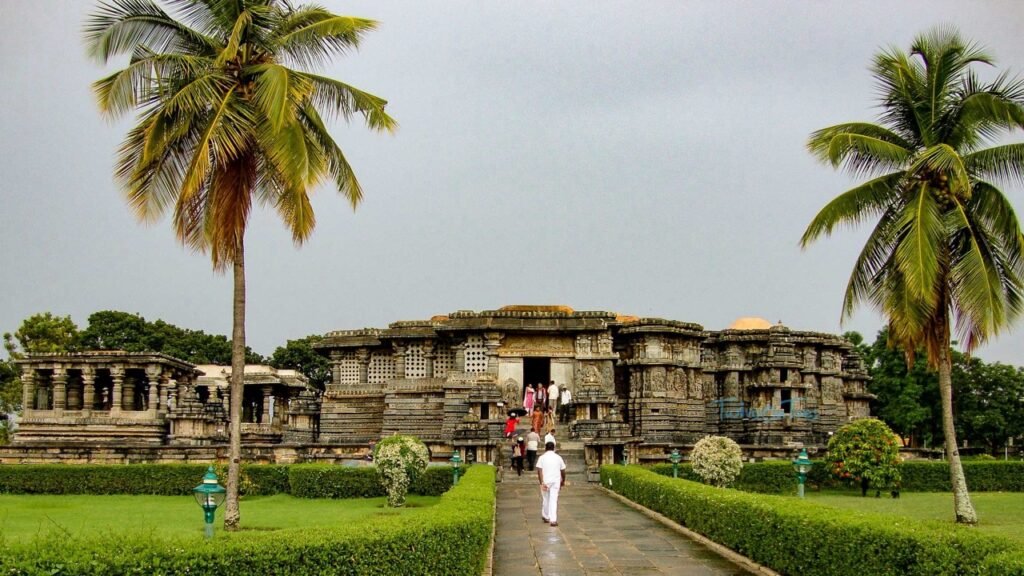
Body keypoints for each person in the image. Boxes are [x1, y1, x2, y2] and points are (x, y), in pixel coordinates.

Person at [536, 441, 566, 526]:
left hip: (545, 481)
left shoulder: (542, 457)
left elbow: (539, 471)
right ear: (554, 448)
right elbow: (563, 470)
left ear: (545, 448)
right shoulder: (558, 457)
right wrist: (563, 480)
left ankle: (546, 516)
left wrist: (541, 482)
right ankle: (553, 520)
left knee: (546, 499)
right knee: (553, 500)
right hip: (555, 481)